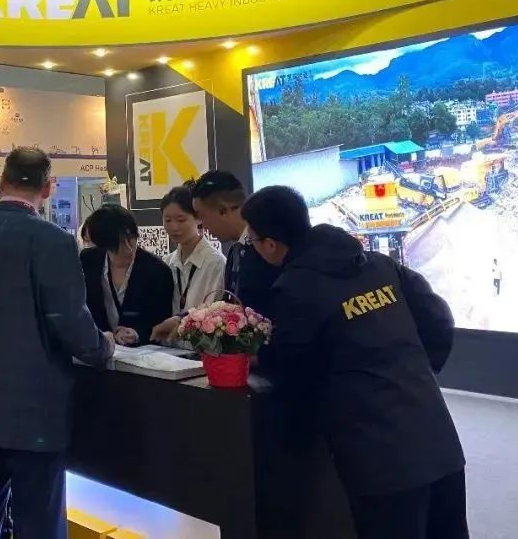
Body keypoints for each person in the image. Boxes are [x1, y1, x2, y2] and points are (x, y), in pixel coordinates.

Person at [242, 185, 467, 539]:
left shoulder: (296, 288)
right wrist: (412, 368)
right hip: (436, 435)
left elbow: (295, 368)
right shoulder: (379, 264)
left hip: (377, 454)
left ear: (270, 244)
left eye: (252, 240)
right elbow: (437, 318)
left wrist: (261, 363)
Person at [0, 147, 114, 539]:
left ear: (1, 181)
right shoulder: (53, 240)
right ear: (48, 188)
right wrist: (104, 347)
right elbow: (69, 320)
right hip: (34, 410)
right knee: (39, 523)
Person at [152, 170, 279, 344]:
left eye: (202, 216)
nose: (202, 225)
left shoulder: (263, 248)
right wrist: (182, 319)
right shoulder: (235, 252)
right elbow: (227, 309)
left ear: (223, 211)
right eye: (168, 220)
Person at [80, 205, 173, 346]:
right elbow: (81, 306)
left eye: (131, 238)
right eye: (120, 244)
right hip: (98, 346)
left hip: (140, 351)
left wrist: (137, 334)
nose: (129, 248)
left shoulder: (157, 270)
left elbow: (161, 319)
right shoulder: (88, 261)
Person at [160, 185, 225, 314]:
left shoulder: (216, 263)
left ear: (198, 218)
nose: (174, 227)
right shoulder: (167, 262)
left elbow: (214, 312)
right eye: (168, 220)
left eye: (181, 220)